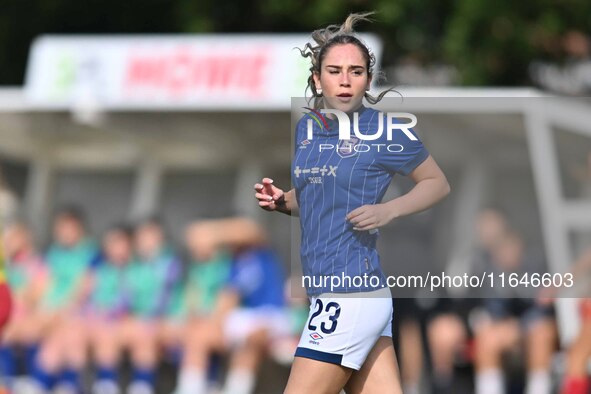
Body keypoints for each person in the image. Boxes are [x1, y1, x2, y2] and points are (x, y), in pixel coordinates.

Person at [254, 13, 450, 394]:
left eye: (356, 71)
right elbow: (317, 195)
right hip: (335, 293)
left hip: (350, 293)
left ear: (368, 79)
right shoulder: (308, 129)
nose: (345, 80)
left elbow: (437, 183)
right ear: (317, 79)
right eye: (335, 70)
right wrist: (283, 201)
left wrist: (389, 209)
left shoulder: (387, 131)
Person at [0, 221, 49, 391]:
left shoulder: (35, 264)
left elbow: (37, 295)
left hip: (26, 316)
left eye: (14, 238)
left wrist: (21, 295)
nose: (9, 242)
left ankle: (17, 380)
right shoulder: (6, 264)